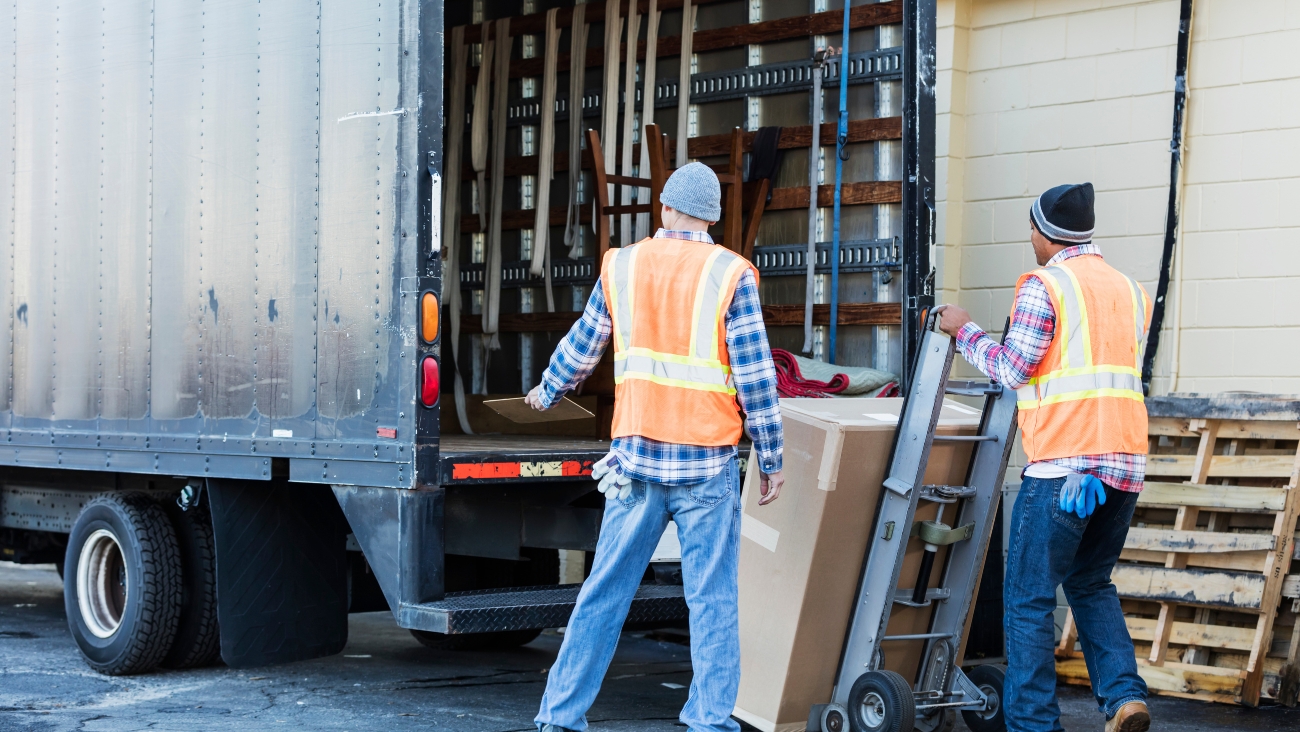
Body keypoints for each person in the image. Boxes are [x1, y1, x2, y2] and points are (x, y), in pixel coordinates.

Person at [525, 162, 785, 732]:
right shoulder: (730, 272)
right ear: (713, 217)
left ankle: (560, 717)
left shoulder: (623, 264)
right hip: (706, 466)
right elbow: (756, 377)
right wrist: (771, 456)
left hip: (635, 464)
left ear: (664, 208)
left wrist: (546, 391)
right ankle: (709, 720)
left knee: (603, 594)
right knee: (712, 602)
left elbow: (584, 343)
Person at [934, 183, 1152, 732]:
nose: (1028, 237)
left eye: (1030, 228)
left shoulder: (1045, 285)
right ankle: (1125, 698)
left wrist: (963, 331)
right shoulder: (1129, 290)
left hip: (1063, 466)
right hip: (1123, 466)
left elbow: (1012, 370)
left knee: (1029, 598)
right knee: (1091, 582)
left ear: (1046, 232)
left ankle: (1033, 724)